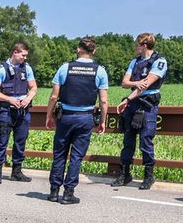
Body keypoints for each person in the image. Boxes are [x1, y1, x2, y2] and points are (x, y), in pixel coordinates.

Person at [45, 37, 109, 204]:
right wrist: (102, 121)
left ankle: (53, 191)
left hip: (65, 117)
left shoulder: (65, 68)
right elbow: (103, 101)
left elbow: (53, 96)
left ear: (78, 49)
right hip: (85, 118)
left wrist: (49, 116)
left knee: (59, 154)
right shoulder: (100, 71)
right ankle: (68, 193)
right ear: (93, 51)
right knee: (76, 156)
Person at [114, 33, 168, 190]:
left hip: (147, 105)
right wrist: (135, 85)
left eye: (137, 45)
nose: (135, 48)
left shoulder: (159, 61)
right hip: (133, 104)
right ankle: (125, 174)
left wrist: (127, 98)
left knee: (146, 140)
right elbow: (125, 83)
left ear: (144, 45)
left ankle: (148, 175)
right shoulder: (135, 61)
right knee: (128, 140)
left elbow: (147, 84)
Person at [0, 41, 38, 184]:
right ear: (15, 52)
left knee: (20, 141)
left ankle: (17, 172)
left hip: (22, 110)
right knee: (2, 141)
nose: (25, 58)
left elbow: (33, 87)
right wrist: (9, 99)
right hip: (6, 110)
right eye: (23, 55)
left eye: (26, 55)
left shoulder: (26, 68)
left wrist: (29, 97)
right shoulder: (1, 69)